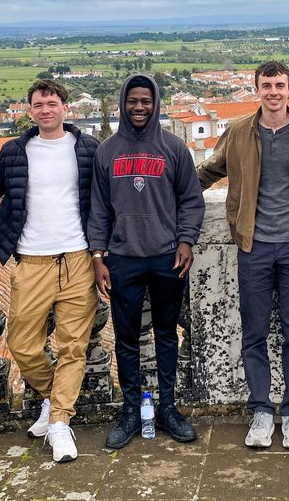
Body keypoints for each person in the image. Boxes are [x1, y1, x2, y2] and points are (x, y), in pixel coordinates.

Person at [197, 60, 289, 449]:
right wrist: (168, 194)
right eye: (267, 85)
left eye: (280, 85)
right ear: (257, 90)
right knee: (254, 333)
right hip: (254, 246)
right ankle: (261, 411)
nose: (274, 92)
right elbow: (209, 172)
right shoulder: (239, 132)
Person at [0, 78, 99, 463]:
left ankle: (61, 421)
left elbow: (105, 197)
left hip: (78, 259)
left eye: (52, 103)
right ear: (30, 111)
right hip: (30, 261)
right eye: (38, 104)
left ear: (66, 107)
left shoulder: (88, 149)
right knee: (22, 345)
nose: (45, 110)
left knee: (73, 346)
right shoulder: (15, 150)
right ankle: (53, 398)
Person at [89, 74, 205, 449]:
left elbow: (191, 199)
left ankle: (168, 408)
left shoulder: (174, 148)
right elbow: (98, 209)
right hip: (122, 258)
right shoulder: (107, 151)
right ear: (123, 103)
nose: (139, 107)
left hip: (167, 258)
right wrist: (97, 255)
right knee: (125, 338)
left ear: (156, 104)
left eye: (146, 101)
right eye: (132, 101)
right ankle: (129, 412)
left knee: (168, 334)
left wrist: (186, 240)